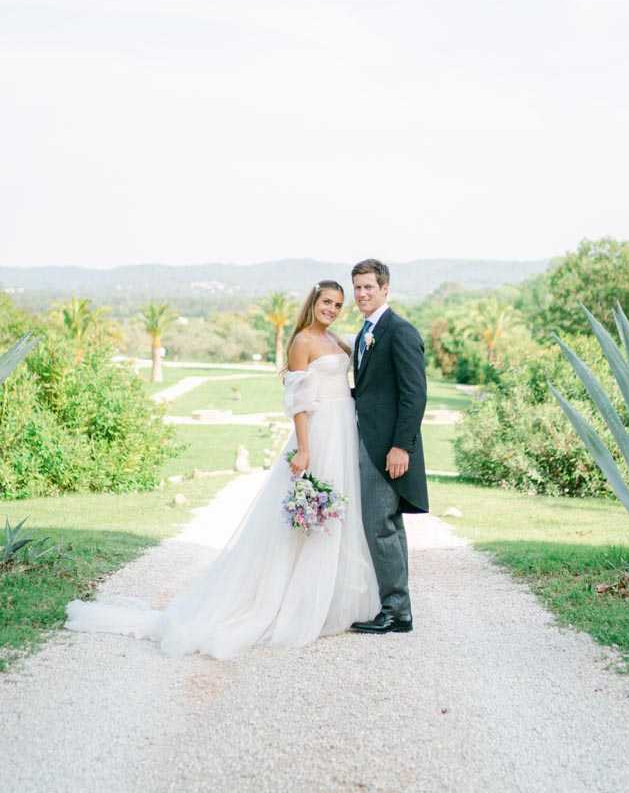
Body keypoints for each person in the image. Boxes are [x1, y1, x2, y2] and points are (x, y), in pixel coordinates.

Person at [65, 280, 379, 659]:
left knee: (335, 515)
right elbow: (298, 399)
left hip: (342, 431)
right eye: (327, 302)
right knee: (306, 520)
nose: (332, 308)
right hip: (318, 433)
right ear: (313, 302)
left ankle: (326, 601)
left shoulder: (337, 340)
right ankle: (288, 605)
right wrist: (305, 449)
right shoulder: (302, 342)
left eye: (338, 304)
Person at [348, 259, 428, 635]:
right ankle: (398, 607)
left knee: (380, 525)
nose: (362, 294)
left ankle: (396, 611)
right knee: (385, 525)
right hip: (370, 440)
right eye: (357, 287)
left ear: (385, 289)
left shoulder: (400, 332)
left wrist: (401, 447)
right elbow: (370, 392)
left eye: (368, 287)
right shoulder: (366, 332)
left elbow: (414, 396)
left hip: (387, 449)